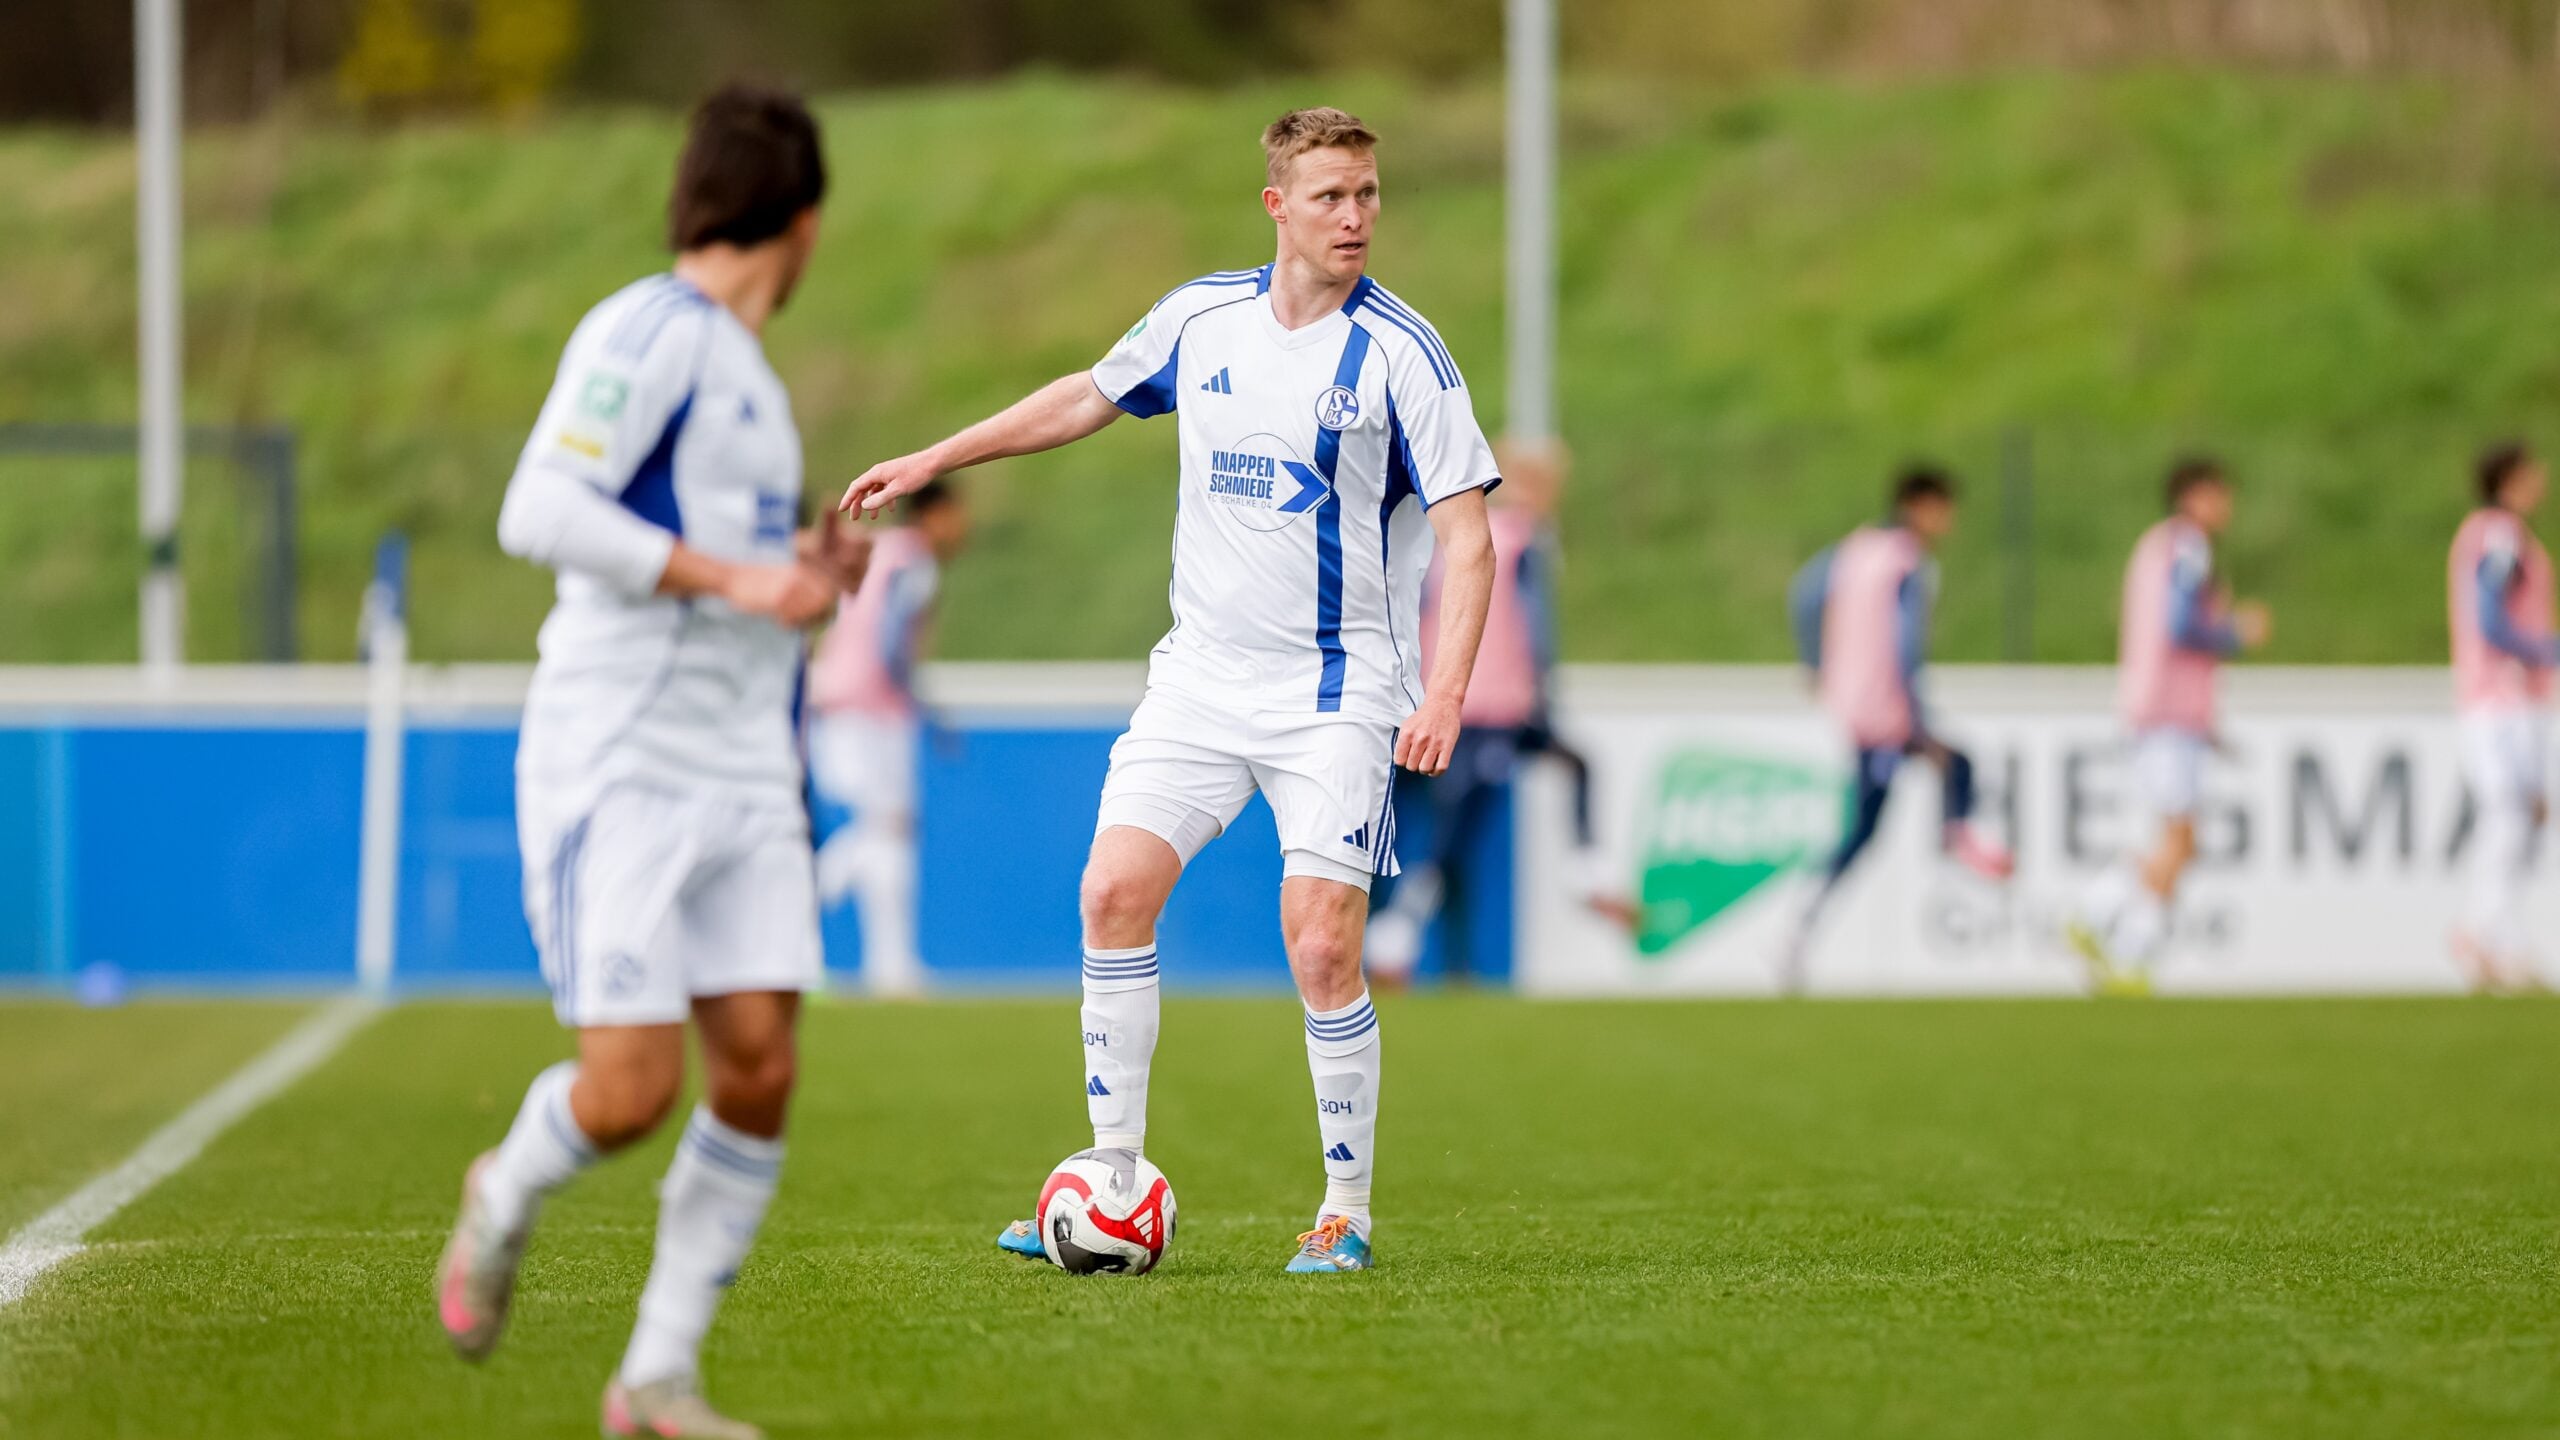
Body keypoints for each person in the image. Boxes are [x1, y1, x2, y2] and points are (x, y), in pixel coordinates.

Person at [839, 106, 1499, 1274]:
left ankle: (1344, 1212)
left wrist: (1443, 692)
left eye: (1369, 195)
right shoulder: (1202, 319)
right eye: (1333, 196)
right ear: (1278, 205)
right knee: (1111, 894)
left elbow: (1468, 538)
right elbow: (1086, 396)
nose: (1356, 217)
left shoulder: (1403, 354)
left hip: (1337, 694)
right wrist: (936, 456)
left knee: (1319, 946)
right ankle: (1110, 1176)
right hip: (1198, 680)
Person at [437, 85, 861, 1440]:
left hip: (743, 767)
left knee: (760, 1064)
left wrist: (808, 574)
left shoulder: (754, 386)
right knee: (631, 1092)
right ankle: (502, 1193)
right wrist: (746, 583)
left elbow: (732, 572)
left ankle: (656, 1379)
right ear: (799, 223)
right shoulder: (648, 330)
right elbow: (541, 506)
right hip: (623, 758)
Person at [1367, 439, 1632, 986]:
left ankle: (1585, 873)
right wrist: (1541, 688)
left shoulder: (1445, 539)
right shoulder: (1518, 543)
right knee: (1451, 839)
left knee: (1561, 773)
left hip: (1444, 698)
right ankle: (1396, 937)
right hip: (1487, 707)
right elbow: (1534, 626)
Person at [1781, 466, 2013, 992]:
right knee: (1876, 817)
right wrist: (1918, 718)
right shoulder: (1908, 563)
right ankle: (1957, 836)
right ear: (1921, 506)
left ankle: (1801, 926)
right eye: (1944, 507)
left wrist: (1816, 662)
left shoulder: (1854, 550)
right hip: (1888, 713)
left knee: (1869, 825)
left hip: (1857, 705)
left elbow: (1803, 595)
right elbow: (1904, 647)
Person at [2067, 457, 2271, 996]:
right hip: (2168, 713)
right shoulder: (2187, 548)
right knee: (2179, 839)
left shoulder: (2156, 546)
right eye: (2220, 494)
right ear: (2195, 496)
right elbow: (2182, 623)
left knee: (2179, 840)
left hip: (2157, 709)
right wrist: (2234, 631)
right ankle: (2104, 928)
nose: (2228, 507)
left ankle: (2121, 946)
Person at [806, 478, 972, 997]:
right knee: (889, 830)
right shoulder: (915, 562)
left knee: (883, 830)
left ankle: (888, 962)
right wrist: (927, 708)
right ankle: (885, 963)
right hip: (875, 709)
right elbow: (891, 641)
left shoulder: (881, 552)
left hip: (836, 700)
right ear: (935, 514)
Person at [2447, 442, 2558, 993]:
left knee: (2526, 818)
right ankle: (2480, 933)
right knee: (2508, 812)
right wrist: (2543, 649)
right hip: (2502, 697)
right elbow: (2490, 613)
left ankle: (2502, 941)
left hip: (2517, 698)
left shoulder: (2502, 533)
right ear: (2512, 478)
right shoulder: (2498, 533)